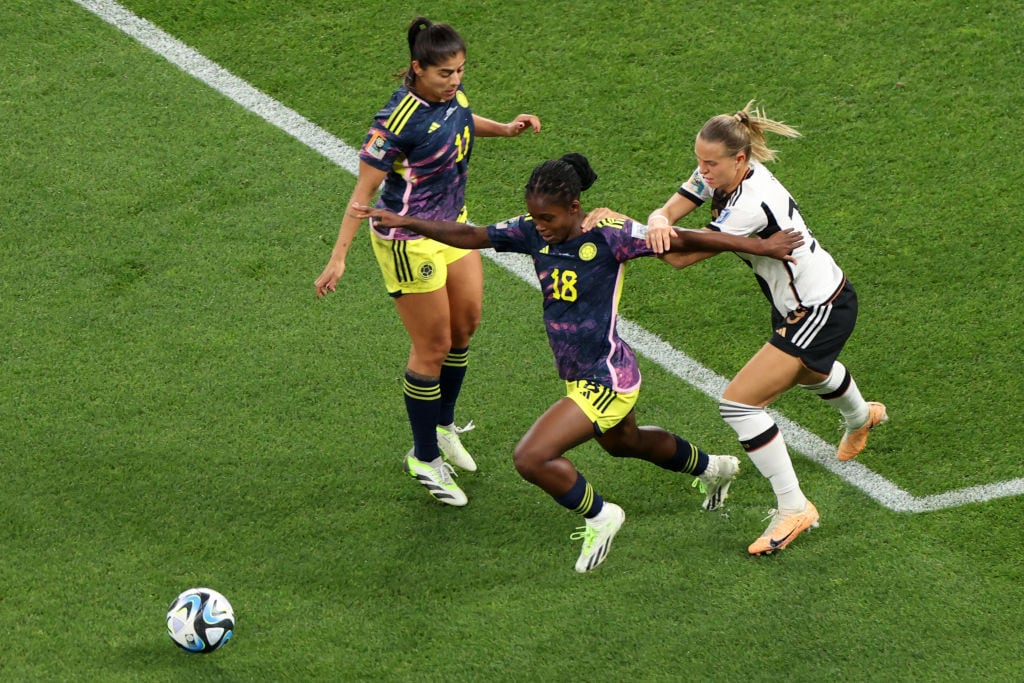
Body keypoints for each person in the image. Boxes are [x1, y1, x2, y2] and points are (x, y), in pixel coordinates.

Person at [352, 153, 804, 572]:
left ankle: (602, 515)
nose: (540, 226)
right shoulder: (531, 231)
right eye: (535, 217)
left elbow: (685, 239)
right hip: (581, 374)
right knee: (624, 442)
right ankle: (714, 469)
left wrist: (761, 246)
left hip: (606, 378)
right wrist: (408, 222)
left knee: (532, 457)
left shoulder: (610, 236)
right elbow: (474, 235)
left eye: (548, 218)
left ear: (574, 207)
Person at [594, 101, 887, 556]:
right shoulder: (720, 173)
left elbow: (681, 256)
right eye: (699, 160)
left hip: (818, 307)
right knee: (809, 372)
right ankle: (861, 416)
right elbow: (675, 206)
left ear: (740, 159)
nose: (702, 171)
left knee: (739, 403)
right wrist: (656, 219)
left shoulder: (750, 203)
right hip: (803, 300)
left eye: (710, 163)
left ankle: (794, 508)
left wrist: (619, 226)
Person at [314, 17, 541, 507]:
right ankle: (424, 457)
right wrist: (338, 258)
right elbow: (362, 195)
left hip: (452, 226)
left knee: (466, 325)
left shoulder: (451, 96)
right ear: (417, 68)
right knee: (433, 345)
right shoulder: (395, 123)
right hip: (407, 240)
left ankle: (442, 426)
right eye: (445, 73)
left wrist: (504, 129)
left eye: (460, 71)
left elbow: (461, 119)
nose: (455, 80)